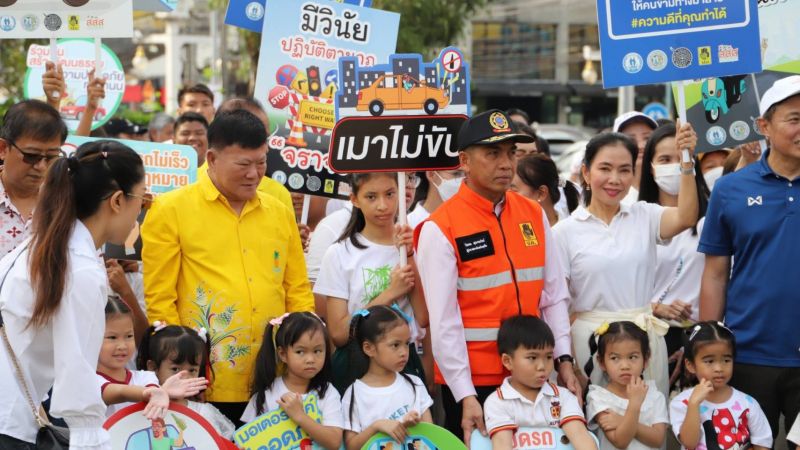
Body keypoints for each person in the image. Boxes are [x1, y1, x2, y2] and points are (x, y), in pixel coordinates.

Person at [415, 109, 579, 441]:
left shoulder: (532, 213)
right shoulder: (440, 227)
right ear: (464, 160)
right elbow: (444, 320)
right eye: (493, 153)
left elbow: (553, 297)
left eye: (511, 153)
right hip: (477, 380)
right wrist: (465, 394)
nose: (506, 163)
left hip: (535, 371)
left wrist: (563, 359)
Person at [142, 109, 314, 424]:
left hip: (274, 378)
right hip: (206, 383)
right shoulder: (171, 209)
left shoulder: (278, 210)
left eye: (261, 162)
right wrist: (180, 372)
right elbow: (160, 301)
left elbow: (297, 289)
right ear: (211, 158)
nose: (254, 173)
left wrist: (304, 354)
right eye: (243, 165)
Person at [0, 140, 145, 448]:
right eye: (142, 202)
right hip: (10, 424)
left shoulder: (45, 248)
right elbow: (76, 377)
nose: (140, 214)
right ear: (118, 201)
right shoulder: (80, 269)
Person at [553, 127, 699, 399]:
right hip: (591, 345)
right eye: (605, 169)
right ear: (586, 173)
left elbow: (687, 216)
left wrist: (687, 159)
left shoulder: (645, 215)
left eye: (624, 170)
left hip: (642, 343)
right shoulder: (564, 232)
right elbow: (557, 303)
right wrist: (566, 360)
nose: (614, 179)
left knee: (648, 428)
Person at [699, 75, 800, 442]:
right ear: (764, 126)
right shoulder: (730, 189)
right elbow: (715, 273)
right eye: (795, 119)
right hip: (749, 354)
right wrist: (707, 348)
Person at [315, 173, 428, 391]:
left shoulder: (413, 248)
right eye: (371, 197)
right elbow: (338, 333)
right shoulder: (339, 253)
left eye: (389, 194)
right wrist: (389, 294)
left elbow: (423, 318)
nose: (383, 205)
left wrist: (411, 255)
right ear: (355, 199)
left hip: (403, 362)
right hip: (357, 364)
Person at [638, 124, 710, 387]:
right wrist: (656, 308)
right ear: (650, 166)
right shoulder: (636, 218)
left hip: (701, 340)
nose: (674, 166)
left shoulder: (712, 218)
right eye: (664, 159)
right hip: (647, 339)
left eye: (679, 158)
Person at [483, 315, 595, 450]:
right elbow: (502, 445)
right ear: (508, 361)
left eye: (548, 357)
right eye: (532, 357)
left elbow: (580, 437)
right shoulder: (497, 402)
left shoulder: (564, 397)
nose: (542, 366)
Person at [241, 312, 343, 449]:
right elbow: (246, 442)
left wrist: (300, 416)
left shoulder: (327, 392)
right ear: (283, 354)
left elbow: (334, 442)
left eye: (318, 351)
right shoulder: (267, 394)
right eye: (300, 352)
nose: (310, 359)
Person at [96, 297, 207, 418]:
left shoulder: (146, 377)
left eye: (129, 336)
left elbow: (153, 389)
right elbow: (114, 392)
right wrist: (158, 392)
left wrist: (160, 392)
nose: (122, 346)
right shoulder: (89, 381)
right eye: (112, 337)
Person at [341, 305, 433, 450]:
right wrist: (377, 426)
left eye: (407, 343)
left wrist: (415, 424)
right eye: (395, 345)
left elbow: (432, 435)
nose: (404, 352)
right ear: (369, 348)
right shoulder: (354, 393)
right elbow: (351, 446)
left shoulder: (415, 384)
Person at [669, 321, 772, 450]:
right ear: (690, 365)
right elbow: (689, 443)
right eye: (709, 361)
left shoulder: (748, 403)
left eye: (726, 360)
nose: (719, 368)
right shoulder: (682, 402)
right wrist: (693, 404)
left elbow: (763, 442)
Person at [138, 323, 235, 439]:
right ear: (153, 367)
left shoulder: (204, 413)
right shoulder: (139, 411)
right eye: (175, 369)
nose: (184, 377)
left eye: (192, 370)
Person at [584, 321, 668, 450]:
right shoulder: (598, 398)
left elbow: (657, 440)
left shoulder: (654, 395)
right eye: (615, 358)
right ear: (601, 362)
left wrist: (620, 420)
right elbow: (620, 441)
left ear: (645, 360)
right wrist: (634, 404)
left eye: (633, 357)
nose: (625, 366)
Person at [0, 100, 67, 256]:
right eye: (31, 156)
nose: (41, 167)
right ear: (3, 149)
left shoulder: (67, 205)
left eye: (51, 157)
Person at [511, 154, 580, 226]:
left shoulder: (568, 231)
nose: (507, 195)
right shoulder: (514, 226)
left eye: (514, 190)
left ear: (541, 193)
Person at [613, 111, 658, 204]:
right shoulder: (610, 191)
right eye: (631, 139)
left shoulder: (668, 186)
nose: (641, 145)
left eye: (647, 138)